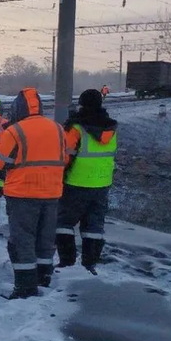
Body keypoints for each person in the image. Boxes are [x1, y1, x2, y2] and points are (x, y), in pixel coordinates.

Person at [0, 87, 68, 299]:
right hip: (52, 193)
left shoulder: (14, 131)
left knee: (22, 240)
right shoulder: (58, 129)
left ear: (18, 108)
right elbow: (65, 158)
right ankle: (43, 278)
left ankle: (25, 287)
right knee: (45, 238)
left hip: (22, 194)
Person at [56, 89, 118, 275]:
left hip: (76, 182)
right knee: (94, 225)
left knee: (63, 223)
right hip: (102, 184)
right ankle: (89, 264)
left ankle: (67, 263)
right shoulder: (111, 129)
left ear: (82, 104)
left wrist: (58, 176)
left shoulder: (76, 128)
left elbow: (65, 157)